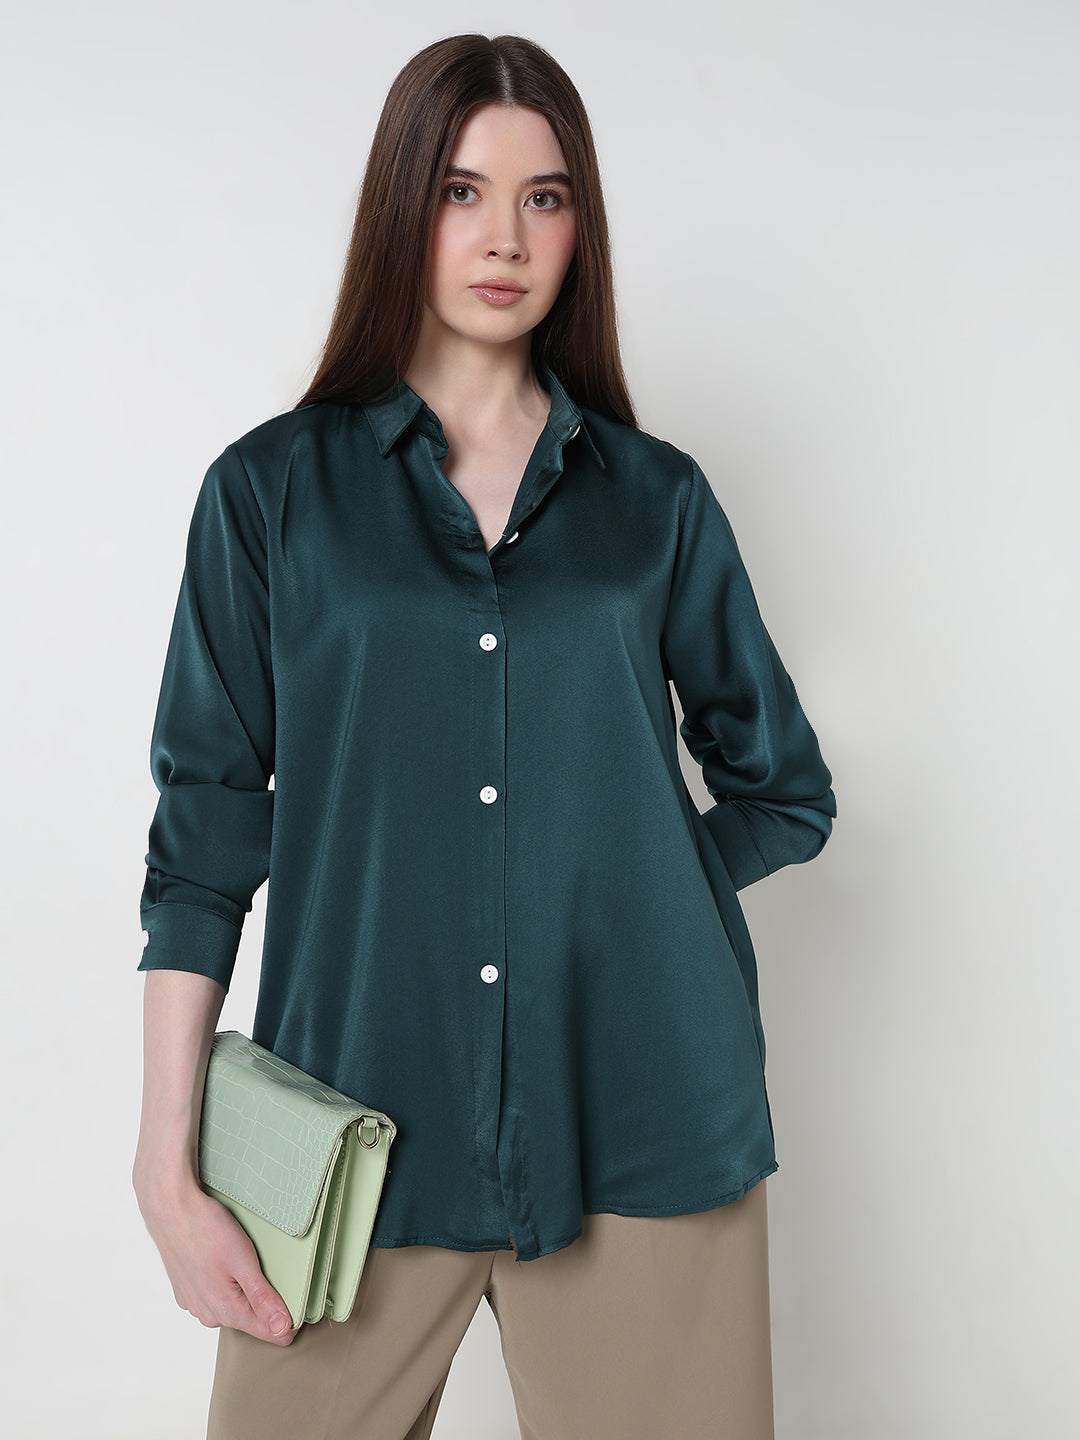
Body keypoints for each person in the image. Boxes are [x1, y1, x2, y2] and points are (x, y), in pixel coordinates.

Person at [132, 32, 835, 1440]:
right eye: (463, 191)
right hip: (351, 1129)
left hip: (643, 1116)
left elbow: (785, 791)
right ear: (404, 205)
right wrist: (167, 1159)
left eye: (544, 197)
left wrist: (642, 886)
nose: (505, 236)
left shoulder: (657, 503)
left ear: (581, 229)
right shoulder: (271, 495)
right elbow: (204, 835)